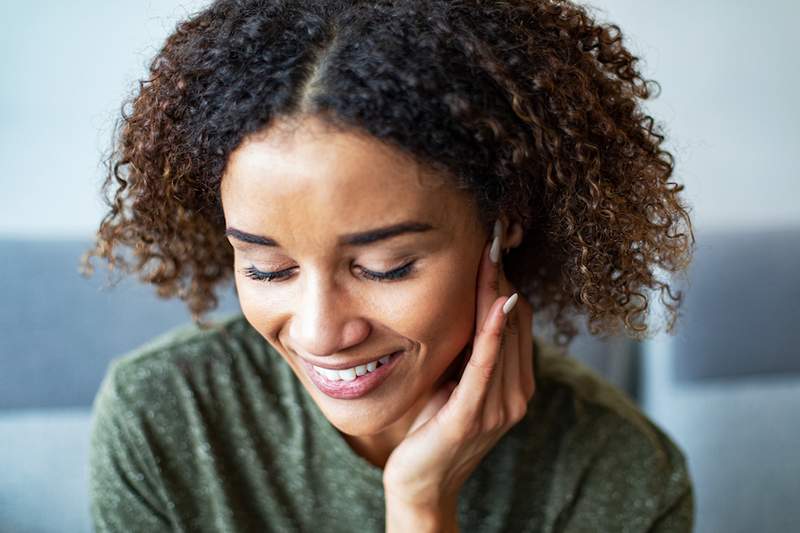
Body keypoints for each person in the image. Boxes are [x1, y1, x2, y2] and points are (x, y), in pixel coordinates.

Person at [81, 0, 695, 531]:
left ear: (504, 224)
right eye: (268, 268)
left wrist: (421, 507)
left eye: (386, 266)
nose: (321, 333)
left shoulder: (620, 474)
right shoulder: (162, 417)